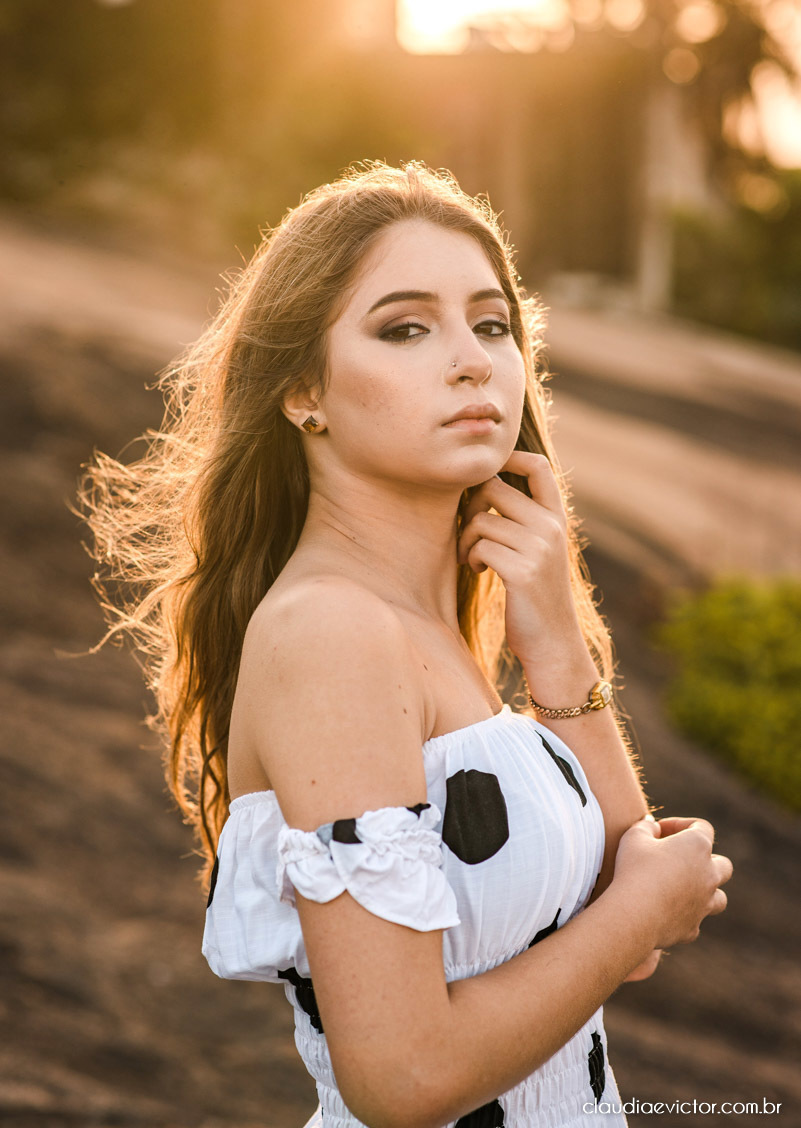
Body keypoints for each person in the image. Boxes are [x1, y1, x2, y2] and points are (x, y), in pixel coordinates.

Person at [78, 161, 733, 1128]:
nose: (470, 360)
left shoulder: (434, 629)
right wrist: (642, 907)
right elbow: (402, 1079)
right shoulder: (329, 633)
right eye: (405, 328)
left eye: (492, 323)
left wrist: (556, 644)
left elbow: (620, 920)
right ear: (304, 390)